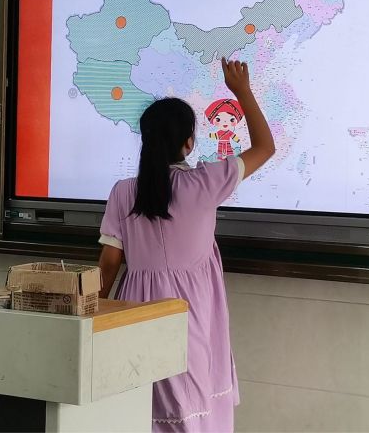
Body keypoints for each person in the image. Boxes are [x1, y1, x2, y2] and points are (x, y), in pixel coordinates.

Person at [97, 57, 275, 432]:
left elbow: (108, 265)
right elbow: (264, 147)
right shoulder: (204, 183)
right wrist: (242, 91)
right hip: (187, 314)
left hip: (133, 313)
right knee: (188, 413)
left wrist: (91, 320)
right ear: (188, 143)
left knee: (138, 412)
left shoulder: (123, 191)